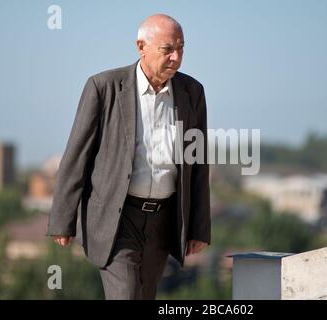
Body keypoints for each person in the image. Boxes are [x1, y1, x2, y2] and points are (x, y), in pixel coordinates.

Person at [46, 14, 211, 300]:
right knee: (125, 294)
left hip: (164, 219)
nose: (176, 57)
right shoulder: (103, 87)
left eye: (181, 49)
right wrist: (63, 218)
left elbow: (197, 163)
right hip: (117, 219)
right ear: (141, 46)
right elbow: (76, 155)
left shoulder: (192, 92)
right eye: (167, 49)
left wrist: (198, 226)